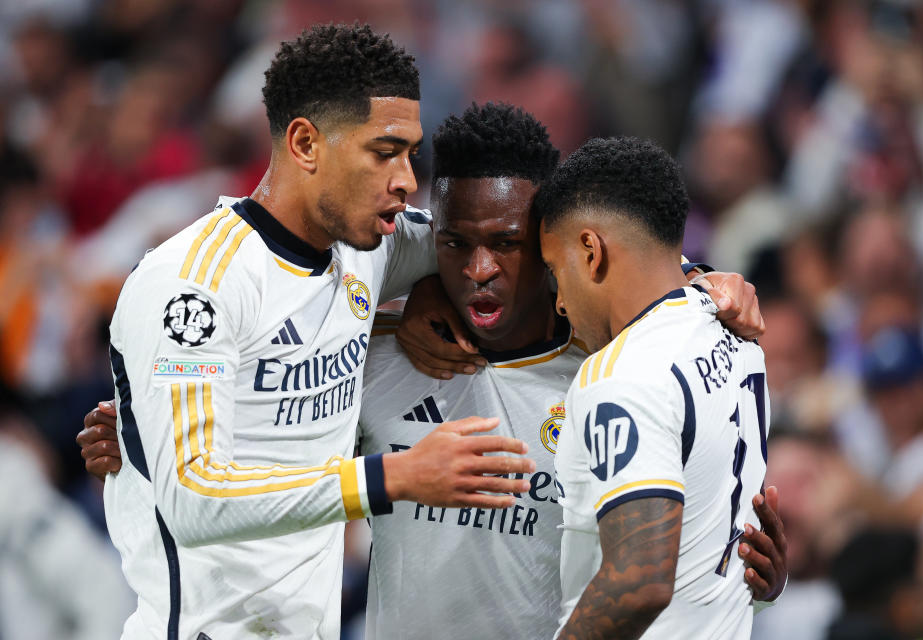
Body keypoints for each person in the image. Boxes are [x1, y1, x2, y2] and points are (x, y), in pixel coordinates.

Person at [84, 104, 786, 637]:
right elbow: (246, 445)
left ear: (556, 242)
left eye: (507, 244)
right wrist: (142, 436)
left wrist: (749, 574)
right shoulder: (375, 351)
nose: (479, 271)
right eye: (456, 244)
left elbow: (682, 538)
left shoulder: (609, 371)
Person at [99, 24, 534, 640]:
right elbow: (194, 497)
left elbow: (519, 246)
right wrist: (394, 476)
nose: (408, 179)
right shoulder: (193, 286)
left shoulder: (368, 248)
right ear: (305, 142)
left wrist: (700, 280)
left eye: (410, 152)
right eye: (384, 153)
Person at [538, 137, 774, 639]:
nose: (559, 302)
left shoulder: (620, 374)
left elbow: (639, 581)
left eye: (556, 272)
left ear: (590, 250)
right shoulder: (739, 334)